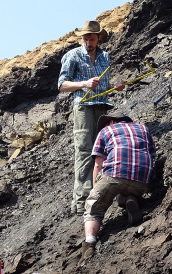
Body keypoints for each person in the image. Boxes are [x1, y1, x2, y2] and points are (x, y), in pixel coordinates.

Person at [58, 20, 125, 216]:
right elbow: (62, 85)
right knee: (85, 150)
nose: (88, 42)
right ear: (82, 39)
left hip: (102, 107)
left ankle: (99, 194)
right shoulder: (72, 56)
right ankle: (80, 202)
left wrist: (116, 87)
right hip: (84, 108)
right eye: (85, 38)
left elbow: (104, 83)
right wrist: (84, 84)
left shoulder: (105, 56)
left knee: (101, 151)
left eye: (92, 38)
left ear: (99, 38)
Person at [80, 112, 156, 263]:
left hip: (114, 175)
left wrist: (96, 190)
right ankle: (129, 199)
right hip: (143, 179)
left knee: (94, 207)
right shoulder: (143, 128)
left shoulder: (106, 131)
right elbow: (152, 155)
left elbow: (98, 164)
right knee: (125, 186)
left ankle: (89, 243)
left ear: (112, 121)